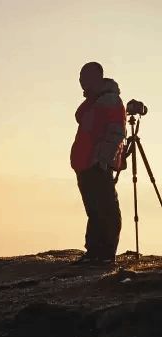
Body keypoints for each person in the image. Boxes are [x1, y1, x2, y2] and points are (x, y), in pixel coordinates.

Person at [71, 62, 126, 265]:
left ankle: (104, 254)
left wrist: (102, 160)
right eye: (80, 78)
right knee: (94, 209)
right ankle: (94, 252)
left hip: (95, 163)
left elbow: (116, 132)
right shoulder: (95, 101)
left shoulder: (109, 100)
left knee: (105, 208)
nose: (81, 82)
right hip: (86, 163)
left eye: (84, 77)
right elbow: (83, 120)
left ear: (96, 78)